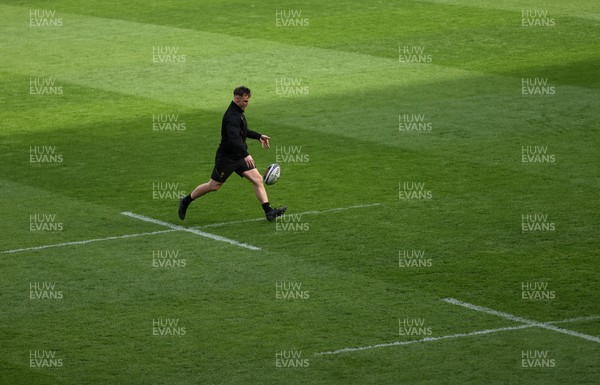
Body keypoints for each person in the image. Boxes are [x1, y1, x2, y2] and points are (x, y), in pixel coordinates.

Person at [178, 86, 287, 222]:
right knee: (213, 186)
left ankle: (269, 211)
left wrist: (258, 136)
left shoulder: (239, 112)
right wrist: (246, 154)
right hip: (227, 158)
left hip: (238, 156)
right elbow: (234, 138)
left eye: (248, 101)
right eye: (245, 101)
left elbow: (242, 131)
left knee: (257, 179)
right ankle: (186, 201)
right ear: (236, 99)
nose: (247, 103)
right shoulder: (231, 116)